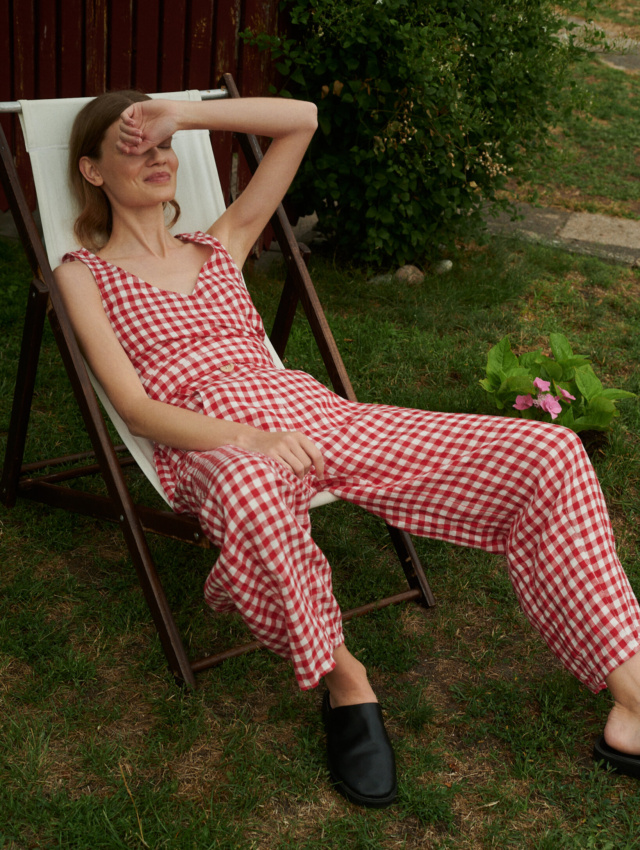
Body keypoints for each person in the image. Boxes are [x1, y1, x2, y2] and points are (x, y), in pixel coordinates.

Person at [54, 90, 640, 807]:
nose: (156, 156)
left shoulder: (222, 243)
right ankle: (345, 681)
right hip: (216, 443)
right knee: (249, 490)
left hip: (318, 419)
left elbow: (302, 120)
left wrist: (185, 117)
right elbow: (138, 409)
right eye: (130, 144)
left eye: (161, 145)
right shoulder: (82, 275)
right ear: (91, 170)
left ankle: (630, 694)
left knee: (548, 452)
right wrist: (249, 438)